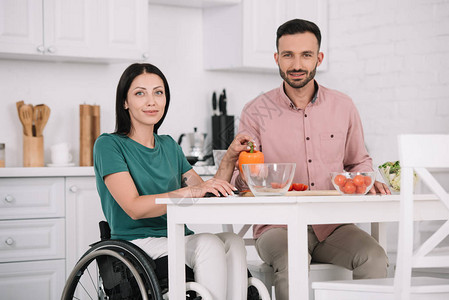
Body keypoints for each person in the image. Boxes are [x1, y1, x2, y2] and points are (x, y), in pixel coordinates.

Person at [233, 19, 391, 300]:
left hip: (333, 225)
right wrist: (245, 176)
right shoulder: (256, 111)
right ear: (276, 59)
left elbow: (359, 162)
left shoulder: (343, 106)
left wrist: (368, 180)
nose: (296, 64)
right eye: (288, 55)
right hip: (276, 227)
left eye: (306, 55)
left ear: (318, 58)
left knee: (374, 256)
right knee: (292, 259)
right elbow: (242, 177)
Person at [93, 63, 253, 300]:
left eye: (158, 92)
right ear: (125, 102)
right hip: (137, 242)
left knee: (233, 242)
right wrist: (195, 191)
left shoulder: (169, 146)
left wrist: (229, 157)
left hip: (176, 236)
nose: (151, 101)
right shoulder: (109, 145)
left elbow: (205, 193)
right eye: (140, 93)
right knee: (208, 243)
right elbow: (134, 207)